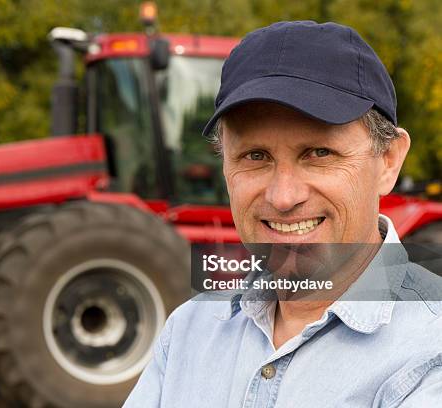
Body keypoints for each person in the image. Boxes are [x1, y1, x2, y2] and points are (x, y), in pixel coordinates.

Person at [123, 21, 442, 407]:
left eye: (319, 153)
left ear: (389, 160)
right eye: (255, 156)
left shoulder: (430, 348)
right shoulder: (189, 331)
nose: (284, 197)